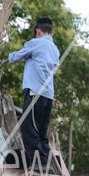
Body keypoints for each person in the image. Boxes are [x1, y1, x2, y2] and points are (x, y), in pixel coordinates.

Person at [8, 17, 60, 168]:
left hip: (34, 92)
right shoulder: (54, 49)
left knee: (29, 128)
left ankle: (35, 162)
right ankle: (45, 162)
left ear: (37, 31)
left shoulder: (36, 43)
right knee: (42, 132)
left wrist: (7, 57)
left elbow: (15, 57)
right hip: (48, 95)